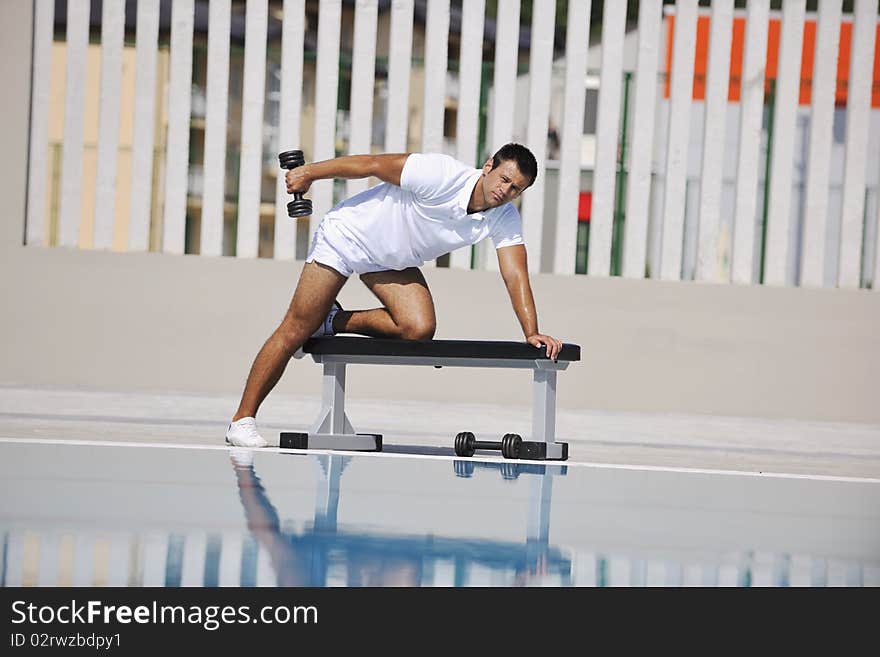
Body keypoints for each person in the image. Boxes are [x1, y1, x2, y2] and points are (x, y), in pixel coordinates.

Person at [226, 143, 563, 447]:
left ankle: (331, 321)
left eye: (516, 189)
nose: (506, 191)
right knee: (296, 327)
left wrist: (531, 332)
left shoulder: (503, 217)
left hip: (392, 261)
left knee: (418, 328)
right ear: (489, 166)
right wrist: (309, 173)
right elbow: (371, 163)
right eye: (504, 179)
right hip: (348, 236)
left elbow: (515, 273)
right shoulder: (440, 174)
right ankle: (242, 419)